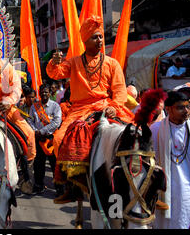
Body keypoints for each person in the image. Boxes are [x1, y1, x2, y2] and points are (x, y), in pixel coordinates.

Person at [46, 15, 134, 202]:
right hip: (80, 109)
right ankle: (72, 185)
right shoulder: (75, 62)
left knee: (135, 133)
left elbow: (119, 91)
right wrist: (54, 61)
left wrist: (114, 107)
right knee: (59, 138)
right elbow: (55, 73)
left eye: (101, 36)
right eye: (95, 37)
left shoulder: (112, 63)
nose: (100, 40)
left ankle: (138, 180)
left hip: (107, 106)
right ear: (85, 40)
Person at [150, 91, 190, 229]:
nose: (186, 111)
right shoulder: (155, 130)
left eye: (189, 106)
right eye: (180, 107)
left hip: (188, 187)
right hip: (164, 188)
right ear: (168, 109)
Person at [29, 85, 63, 195]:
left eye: (46, 92)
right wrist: (36, 132)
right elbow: (30, 121)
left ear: (50, 93)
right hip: (39, 139)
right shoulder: (34, 107)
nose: (44, 94)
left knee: (55, 165)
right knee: (38, 164)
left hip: (51, 139)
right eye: (42, 92)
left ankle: (59, 188)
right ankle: (39, 186)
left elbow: (57, 122)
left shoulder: (55, 106)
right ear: (40, 92)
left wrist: (42, 131)